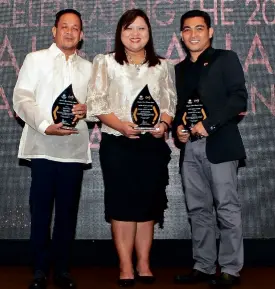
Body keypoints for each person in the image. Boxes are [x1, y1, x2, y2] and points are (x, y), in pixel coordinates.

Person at [86, 8, 176, 287]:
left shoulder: (163, 66)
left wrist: (164, 124)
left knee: (147, 206)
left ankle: (144, 264)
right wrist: (122, 125)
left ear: (149, 33)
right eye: (129, 28)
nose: (135, 34)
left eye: (141, 29)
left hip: (152, 147)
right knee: (123, 206)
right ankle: (125, 266)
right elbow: (97, 103)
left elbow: (170, 103)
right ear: (120, 33)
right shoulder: (106, 62)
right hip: (118, 144)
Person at [13, 9, 92, 289]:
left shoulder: (88, 67)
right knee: (41, 211)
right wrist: (46, 125)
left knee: (68, 213)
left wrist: (87, 109)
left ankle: (62, 269)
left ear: (81, 35)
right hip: (43, 146)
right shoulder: (35, 60)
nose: (69, 32)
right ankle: (38, 269)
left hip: (73, 148)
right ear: (54, 31)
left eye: (75, 28)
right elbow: (21, 99)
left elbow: (96, 109)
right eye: (64, 27)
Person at [172, 10, 247, 286]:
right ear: (181, 35)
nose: (193, 34)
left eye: (199, 28)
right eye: (188, 29)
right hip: (189, 149)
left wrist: (209, 124)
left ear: (210, 32)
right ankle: (203, 265)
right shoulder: (178, 70)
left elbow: (239, 99)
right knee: (198, 209)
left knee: (226, 207)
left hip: (220, 145)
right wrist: (177, 130)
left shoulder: (225, 59)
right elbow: (180, 109)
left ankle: (230, 268)